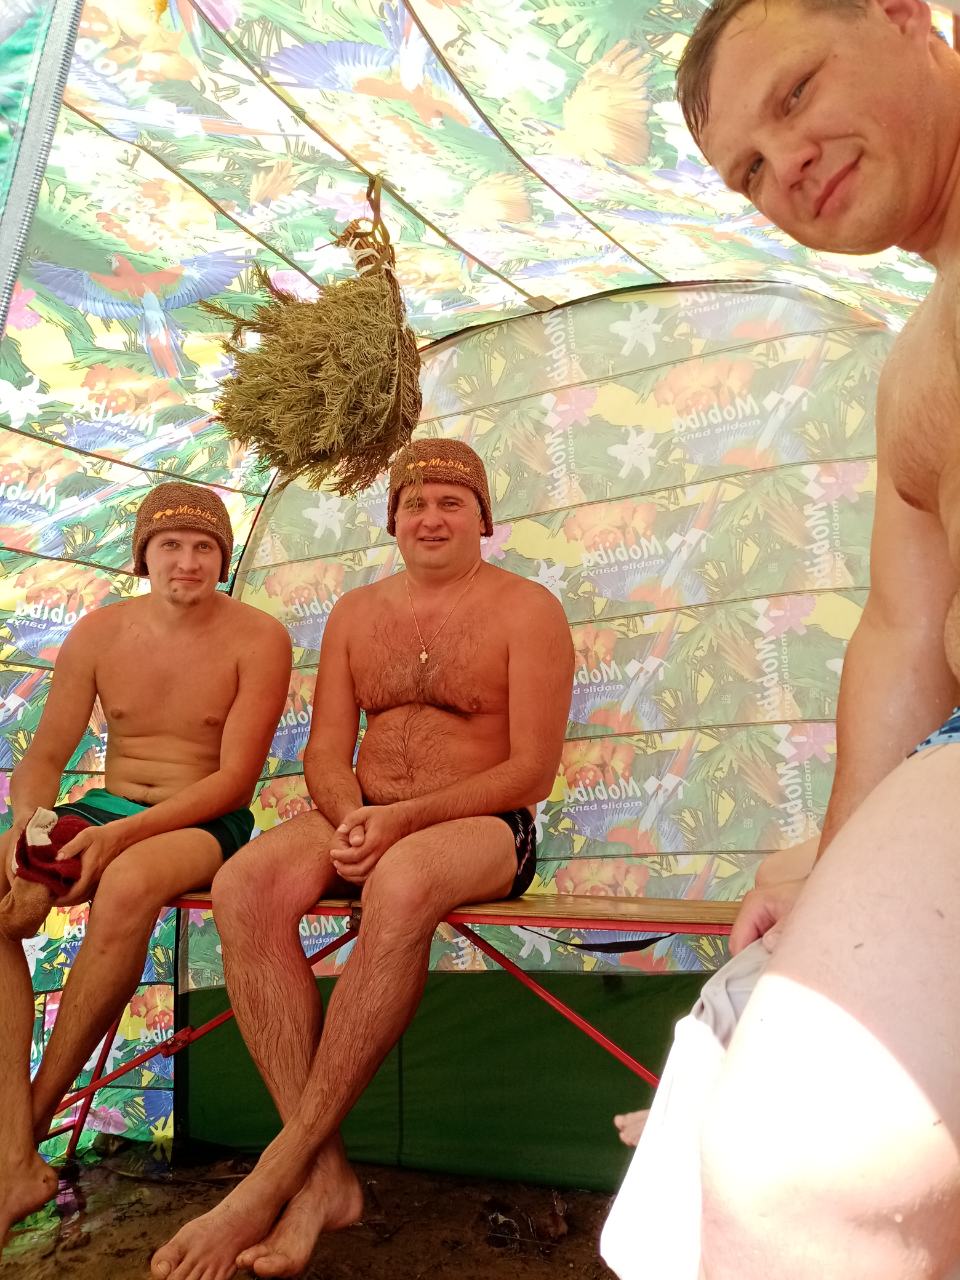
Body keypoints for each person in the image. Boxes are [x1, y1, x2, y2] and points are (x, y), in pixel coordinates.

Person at [638, 2, 960, 1277]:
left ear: (904, 16)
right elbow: (903, 631)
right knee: (786, 1182)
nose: (787, 166)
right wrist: (837, 855)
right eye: (748, 173)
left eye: (796, 94)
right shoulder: (915, 368)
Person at [151, 439, 575, 1280]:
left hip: (484, 825)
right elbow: (325, 750)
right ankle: (324, 1178)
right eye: (414, 502)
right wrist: (352, 818)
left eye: (451, 502)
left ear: (483, 518)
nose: (431, 517)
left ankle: (275, 1175)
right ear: (392, 520)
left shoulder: (529, 610)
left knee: (404, 879)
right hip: (362, 812)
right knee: (244, 883)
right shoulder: (355, 612)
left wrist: (401, 823)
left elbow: (532, 770)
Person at [0, 481, 292, 1243]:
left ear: (222, 558)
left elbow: (235, 781)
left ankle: (24, 1135)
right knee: (3, 895)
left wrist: (121, 838)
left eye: (204, 548)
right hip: (108, 805)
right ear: (143, 556)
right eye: (170, 546)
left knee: (127, 883)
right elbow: (46, 754)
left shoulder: (259, 637)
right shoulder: (99, 632)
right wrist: (25, 822)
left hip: (203, 818)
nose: (187, 561)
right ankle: (12, 1144)